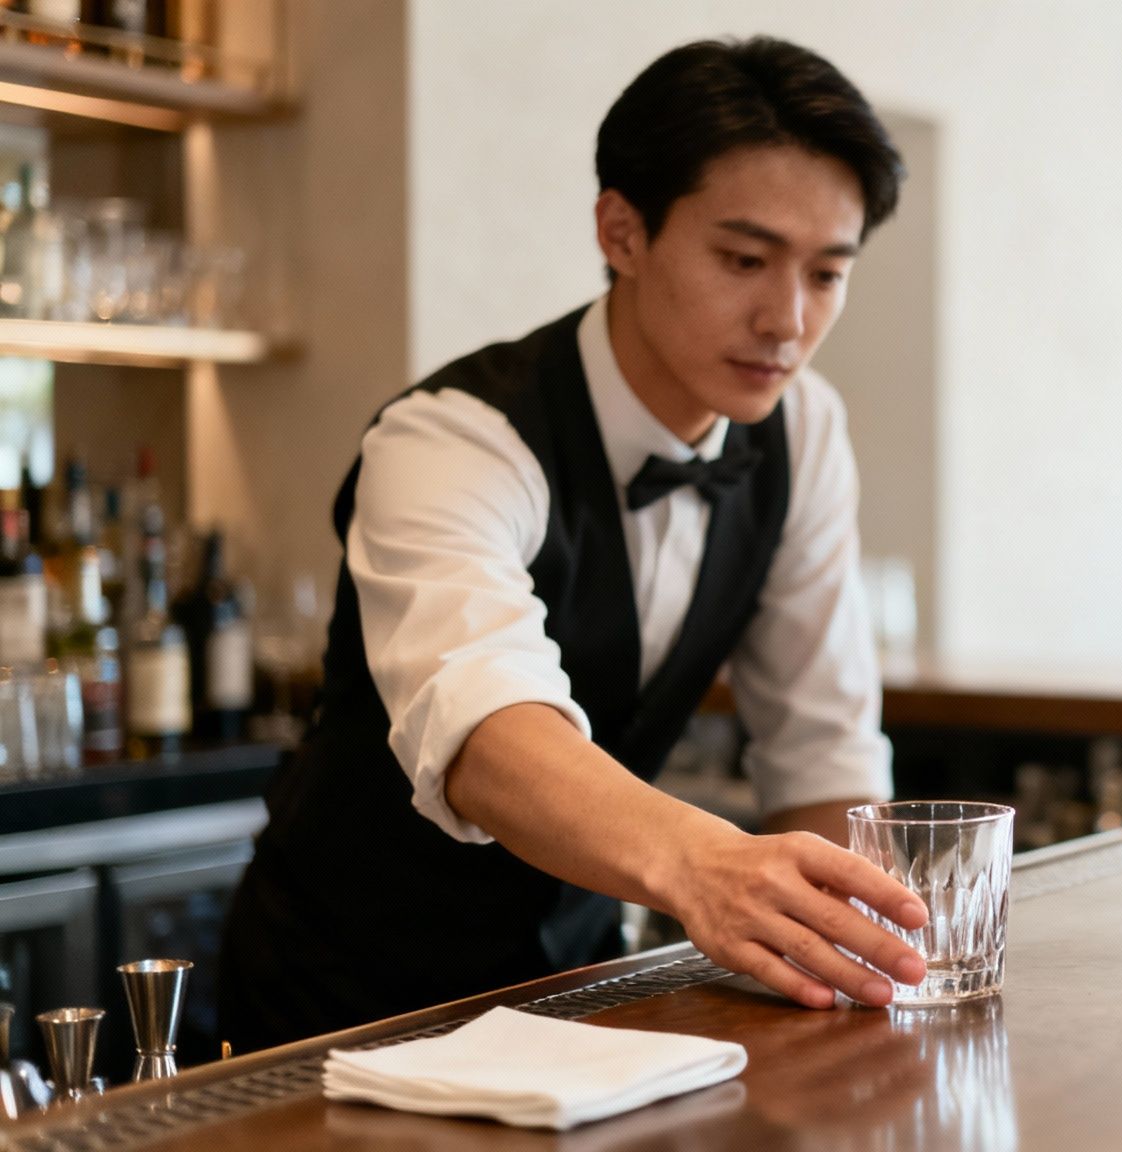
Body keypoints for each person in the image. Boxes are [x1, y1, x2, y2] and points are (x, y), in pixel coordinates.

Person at [221, 36, 931, 1049]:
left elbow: (822, 752)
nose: (787, 319)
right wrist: (702, 862)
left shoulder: (801, 431)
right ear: (622, 231)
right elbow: (485, 730)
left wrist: (860, 954)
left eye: (826, 273)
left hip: (583, 982)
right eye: (742, 259)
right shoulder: (454, 438)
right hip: (350, 994)